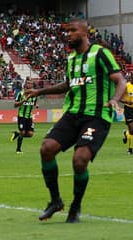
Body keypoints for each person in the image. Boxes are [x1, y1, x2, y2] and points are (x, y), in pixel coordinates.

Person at [25, 18, 126, 223]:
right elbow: (69, 84)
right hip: (73, 113)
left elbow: (120, 80)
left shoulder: (100, 53)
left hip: (97, 115)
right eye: (67, 31)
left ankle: (76, 206)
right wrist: (39, 91)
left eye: (72, 31)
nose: (68, 34)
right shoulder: (71, 58)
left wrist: (115, 99)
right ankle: (55, 201)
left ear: (84, 33)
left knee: (79, 161)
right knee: (46, 148)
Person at [10, 78, 38, 154]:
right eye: (28, 83)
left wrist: (36, 105)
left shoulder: (34, 94)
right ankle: (18, 149)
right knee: (22, 132)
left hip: (29, 116)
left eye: (31, 84)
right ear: (25, 84)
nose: (30, 85)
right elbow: (15, 105)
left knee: (30, 134)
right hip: (21, 115)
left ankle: (17, 134)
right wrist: (23, 101)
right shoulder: (21, 93)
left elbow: (34, 102)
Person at [120, 75, 133, 154]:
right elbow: (120, 98)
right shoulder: (126, 86)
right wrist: (127, 102)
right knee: (132, 130)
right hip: (129, 109)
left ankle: (126, 133)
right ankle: (129, 149)